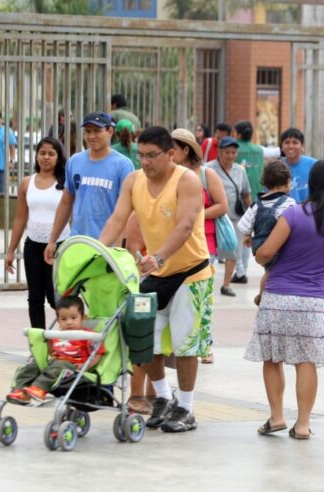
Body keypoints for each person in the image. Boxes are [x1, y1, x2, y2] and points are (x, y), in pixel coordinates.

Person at [100, 125, 214, 433]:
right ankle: (163, 397)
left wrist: (160, 255)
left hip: (191, 273)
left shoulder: (187, 180)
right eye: (141, 155)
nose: (145, 162)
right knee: (143, 337)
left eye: (152, 156)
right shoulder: (133, 181)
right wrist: (98, 250)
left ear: (171, 154)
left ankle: (187, 408)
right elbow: (117, 220)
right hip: (155, 273)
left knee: (186, 344)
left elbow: (186, 224)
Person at [244, 159, 324, 440]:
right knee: (306, 361)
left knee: (272, 358)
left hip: (279, 297)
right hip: (316, 301)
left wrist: (257, 254)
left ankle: (277, 417)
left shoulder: (294, 214)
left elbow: (266, 252)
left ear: (313, 183)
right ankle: (303, 424)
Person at [43, 112, 134, 265]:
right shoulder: (74, 161)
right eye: (88, 131)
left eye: (97, 131)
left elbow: (128, 211)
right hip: (77, 244)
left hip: (108, 249)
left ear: (110, 132)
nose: (92, 136)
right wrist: (53, 240)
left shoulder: (123, 165)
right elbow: (66, 202)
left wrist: (119, 246)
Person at [172, 128, 229, 365]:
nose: (169, 154)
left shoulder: (206, 174)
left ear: (186, 150)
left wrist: (194, 215)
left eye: (172, 149)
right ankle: (179, 344)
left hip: (204, 243)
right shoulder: (169, 175)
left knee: (202, 297)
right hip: (174, 244)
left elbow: (222, 206)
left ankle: (205, 345)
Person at [5, 137, 70, 328]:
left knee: (54, 296)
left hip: (59, 247)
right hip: (33, 246)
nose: (46, 158)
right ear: (36, 156)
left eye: (51, 154)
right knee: (35, 298)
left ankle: (66, 339)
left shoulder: (65, 183)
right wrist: (11, 250)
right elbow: (20, 218)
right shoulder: (27, 183)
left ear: (59, 157)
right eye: (42, 153)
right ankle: (39, 345)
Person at [6, 296, 103, 405]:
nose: (69, 322)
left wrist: (86, 365)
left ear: (83, 318)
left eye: (73, 317)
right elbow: (51, 352)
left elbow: (98, 353)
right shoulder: (57, 335)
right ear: (58, 320)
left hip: (72, 366)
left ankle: (39, 388)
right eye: (64, 319)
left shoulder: (88, 336)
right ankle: (20, 391)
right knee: (32, 366)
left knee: (57, 366)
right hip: (55, 363)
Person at [237, 160, 296, 306]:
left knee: (269, 270)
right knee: (274, 271)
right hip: (276, 247)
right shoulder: (288, 203)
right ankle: (264, 294)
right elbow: (294, 225)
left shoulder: (257, 203)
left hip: (258, 246)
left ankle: (264, 294)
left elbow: (245, 224)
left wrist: (247, 236)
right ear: (288, 182)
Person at [208, 136, 252, 296]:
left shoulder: (240, 170)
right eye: (227, 152)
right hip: (212, 217)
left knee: (233, 252)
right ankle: (206, 283)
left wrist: (251, 215)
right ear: (219, 151)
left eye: (234, 152)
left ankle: (226, 285)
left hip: (234, 218)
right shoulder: (208, 168)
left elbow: (246, 193)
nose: (231, 156)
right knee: (209, 253)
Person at [233, 120, 264, 283]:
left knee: (236, 236)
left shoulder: (233, 148)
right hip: (257, 196)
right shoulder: (259, 150)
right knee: (248, 234)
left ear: (237, 133)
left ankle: (238, 270)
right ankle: (243, 268)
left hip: (238, 198)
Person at [279, 127, 316, 204]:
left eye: (295, 142)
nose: (291, 146)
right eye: (287, 142)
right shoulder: (275, 168)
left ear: (302, 146)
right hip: (284, 214)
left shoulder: (314, 165)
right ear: (282, 147)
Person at [0, 110, 17, 195]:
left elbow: (12, 147)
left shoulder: (7, 130)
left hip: (2, 166)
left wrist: (12, 161)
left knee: (1, 191)